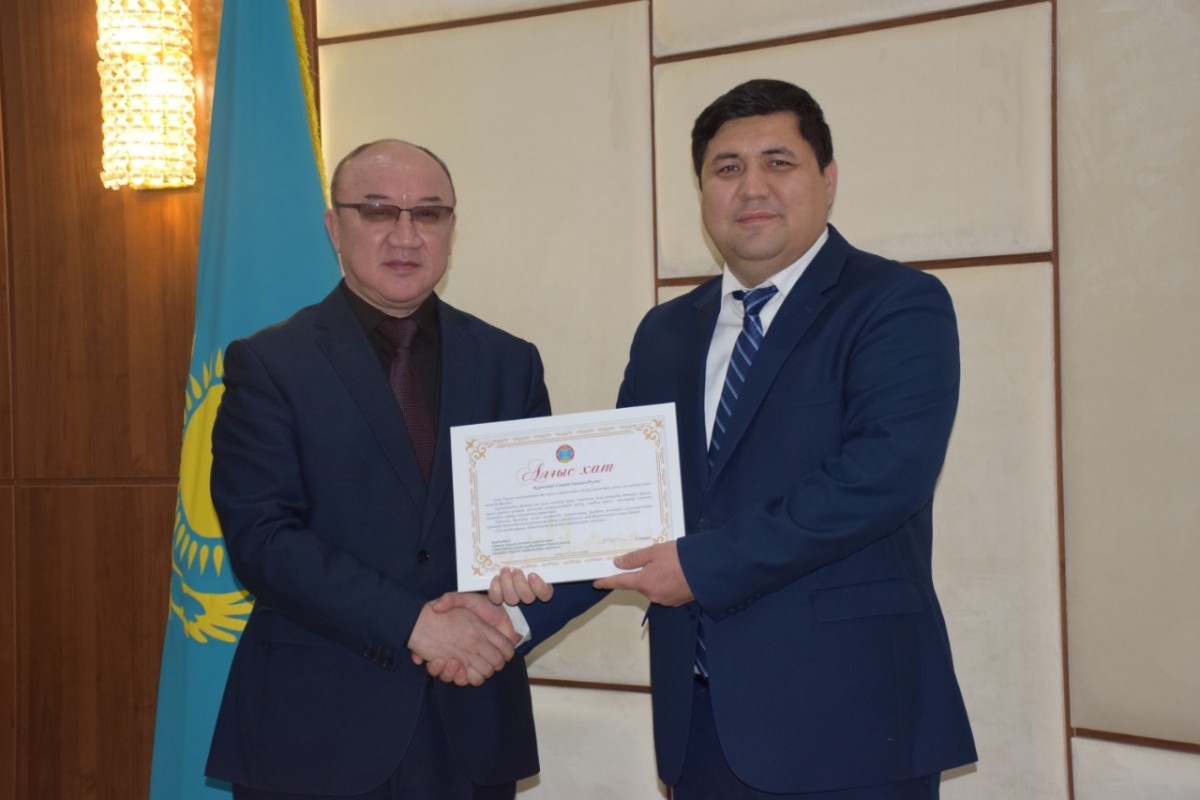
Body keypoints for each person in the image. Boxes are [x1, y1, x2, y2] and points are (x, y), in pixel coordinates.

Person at [513, 79, 978, 798]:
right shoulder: (666, 332)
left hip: (853, 725)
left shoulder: (895, 304)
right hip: (702, 725)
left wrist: (701, 566)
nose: (751, 187)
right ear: (702, 191)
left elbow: (883, 477)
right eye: (726, 168)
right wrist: (509, 614)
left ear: (828, 179)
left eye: (778, 163)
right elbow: (624, 508)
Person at [205, 139, 552, 800]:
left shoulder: (509, 363)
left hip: (471, 714)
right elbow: (263, 540)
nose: (406, 235)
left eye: (429, 213)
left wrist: (516, 595)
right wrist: (413, 622)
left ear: (451, 228)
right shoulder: (270, 365)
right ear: (334, 227)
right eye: (378, 211)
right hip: (316, 729)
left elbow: (535, 529)